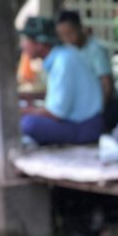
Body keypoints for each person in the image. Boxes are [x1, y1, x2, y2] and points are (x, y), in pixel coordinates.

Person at [18, 16, 104, 146]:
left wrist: (20, 110)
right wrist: (28, 97)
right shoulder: (63, 56)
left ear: (40, 43)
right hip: (83, 122)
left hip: (83, 126)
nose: (22, 45)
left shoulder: (63, 62)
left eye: (25, 40)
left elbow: (56, 113)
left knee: (27, 124)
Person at [55, 9, 118, 132]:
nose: (67, 39)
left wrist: (97, 112)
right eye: (63, 36)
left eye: (70, 33)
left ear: (80, 28)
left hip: (104, 107)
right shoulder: (67, 50)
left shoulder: (95, 50)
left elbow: (106, 84)